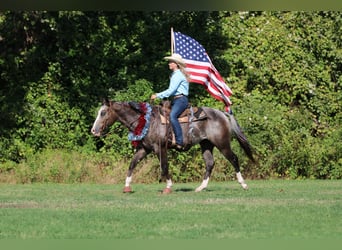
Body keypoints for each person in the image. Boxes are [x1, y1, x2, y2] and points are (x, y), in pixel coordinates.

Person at [151, 53, 190, 150]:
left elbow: (171, 91)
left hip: (181, 100)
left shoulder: (178, 75)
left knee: (172, 116)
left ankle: (180, 141)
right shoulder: (174, 74)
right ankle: (169, 137)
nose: (169, 64)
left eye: (170, 62)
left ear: (176, 64)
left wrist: (157, 95)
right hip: (176, 99)